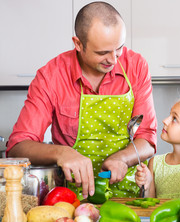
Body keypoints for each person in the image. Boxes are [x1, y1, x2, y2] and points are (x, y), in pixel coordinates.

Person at [6, 2, 157, 199]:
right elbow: (17, 146)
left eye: (118, 48)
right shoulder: (51, 76)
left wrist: (123, 158)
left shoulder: (136, 66)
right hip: (71, 200)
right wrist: (62, 153)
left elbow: (148, 137)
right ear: (78, 44)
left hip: (130, 196)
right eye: (102, 53)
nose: (113, 60)